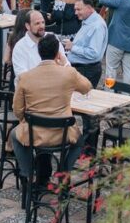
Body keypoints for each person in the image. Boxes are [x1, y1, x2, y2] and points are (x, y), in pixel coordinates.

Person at [10, 34, 92, 180]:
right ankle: (63, 171)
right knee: (79, 141)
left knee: (14, 136)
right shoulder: (68, 73)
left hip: (34, 132)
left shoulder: (26, 77)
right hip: (63, 133)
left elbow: (17, 109)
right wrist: (65, 63)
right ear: (58, 53)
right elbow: (87, 87)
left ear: (39, 53)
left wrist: (25, 121)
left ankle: (27, 173)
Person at [63, 0, 108, 87]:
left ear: (89, 8)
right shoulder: (88, 21)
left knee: (83, 99)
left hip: (87, 71)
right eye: (75, 9)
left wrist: (72, 47)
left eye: (79, 9)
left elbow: (93, 53)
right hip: (82, 69)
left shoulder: (97, 26)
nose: (76, 13)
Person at [12, 10, 68, 81]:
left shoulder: (52, 38)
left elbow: (66, 63)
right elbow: (22, 77)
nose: (41, 26)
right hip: (31, 89)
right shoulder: (20, 47)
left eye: (43, 22)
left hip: (54, 85)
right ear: (27, 26)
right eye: (37, 23)